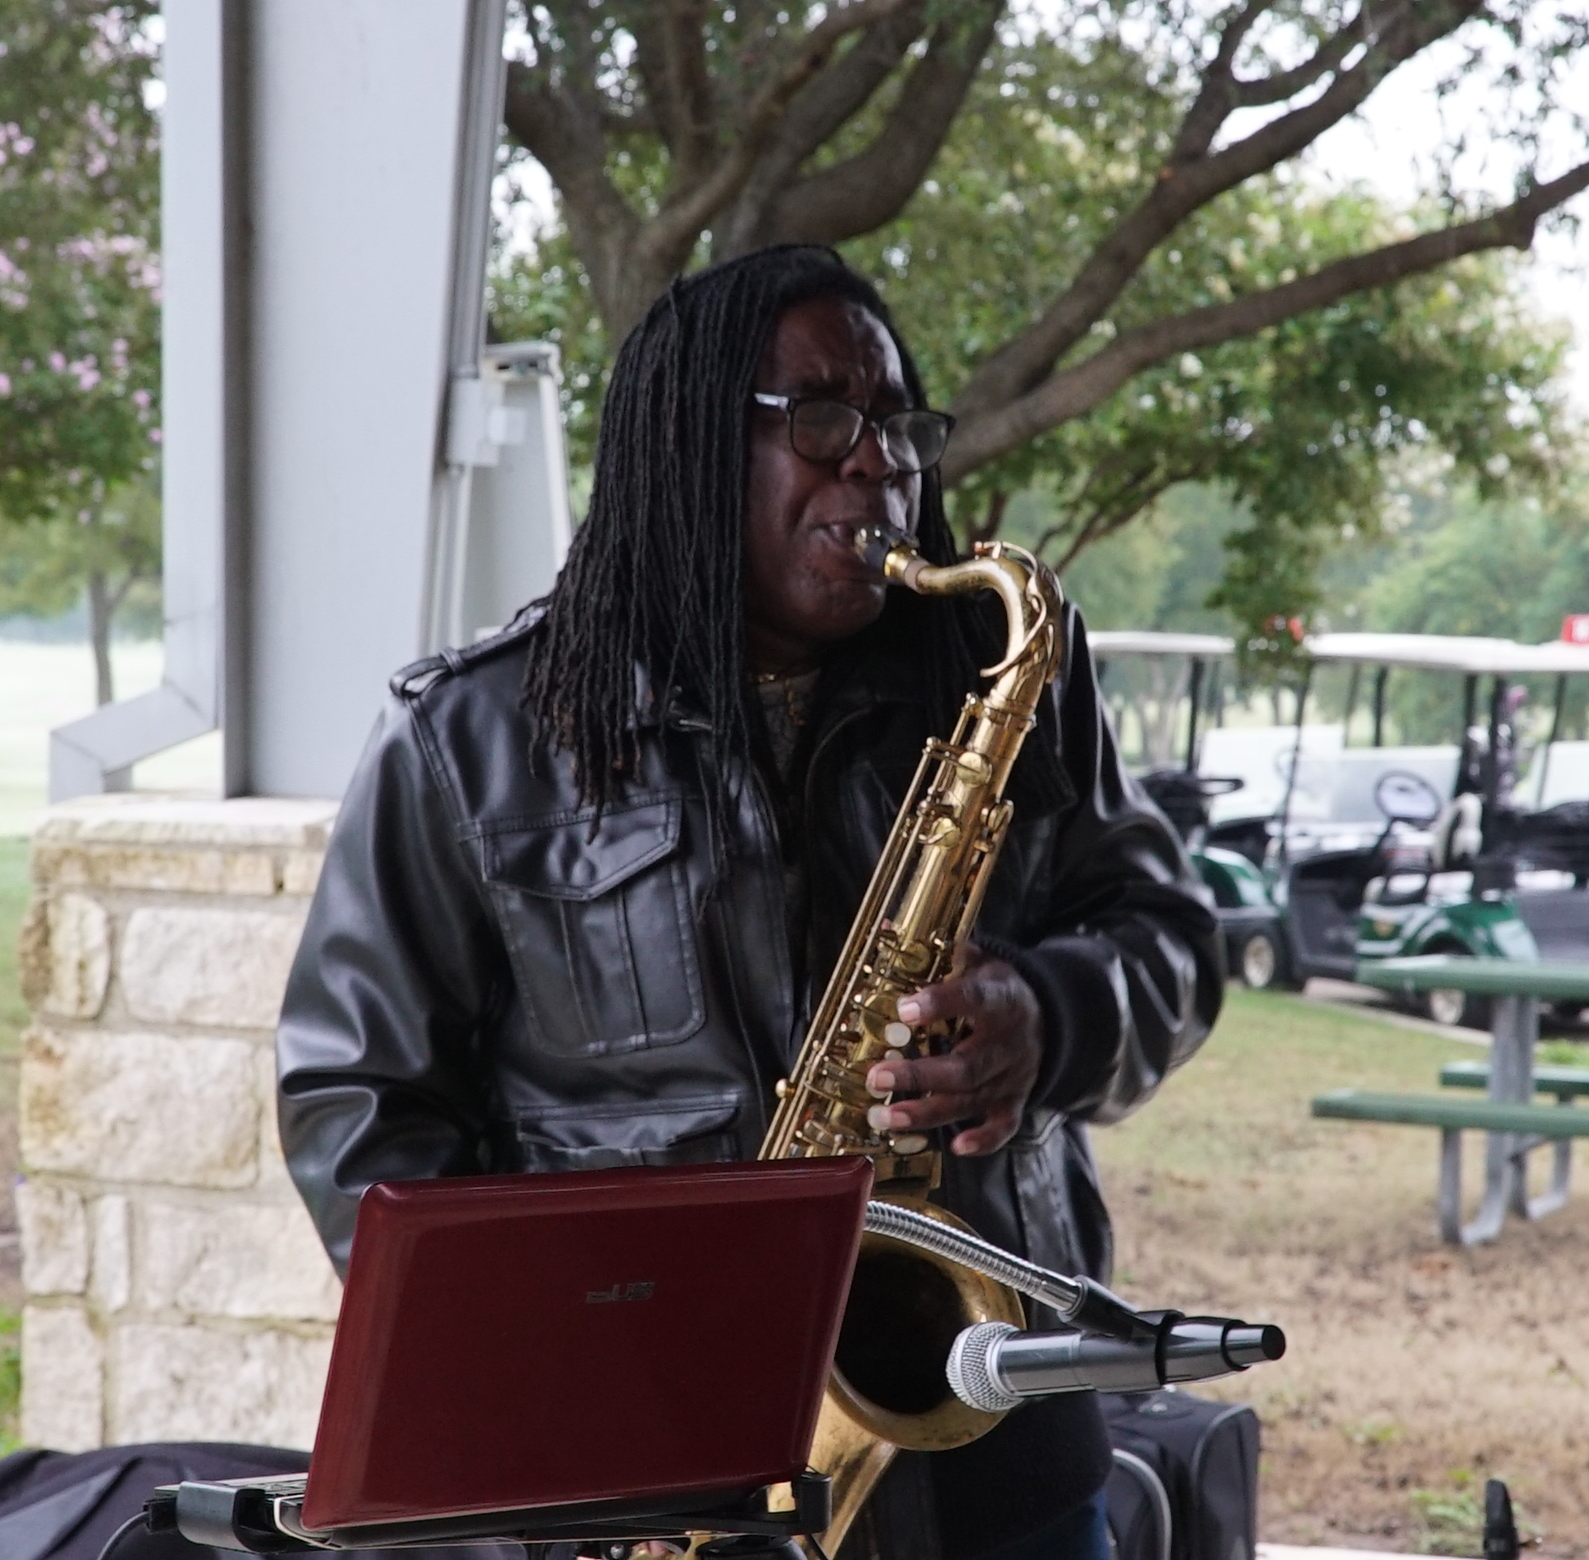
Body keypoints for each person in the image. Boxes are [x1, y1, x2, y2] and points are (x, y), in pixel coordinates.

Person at [274, 245, 1224, 1560]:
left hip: (992, 1435)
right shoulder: (468, 735)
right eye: (823, 418)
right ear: (687, 447)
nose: (879, 464)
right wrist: (545, 1394)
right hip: (648, 1470)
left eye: (898, 424)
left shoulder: (1006, 676)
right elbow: (360, 1108)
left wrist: (1049, 1018)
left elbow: (1173, 942)